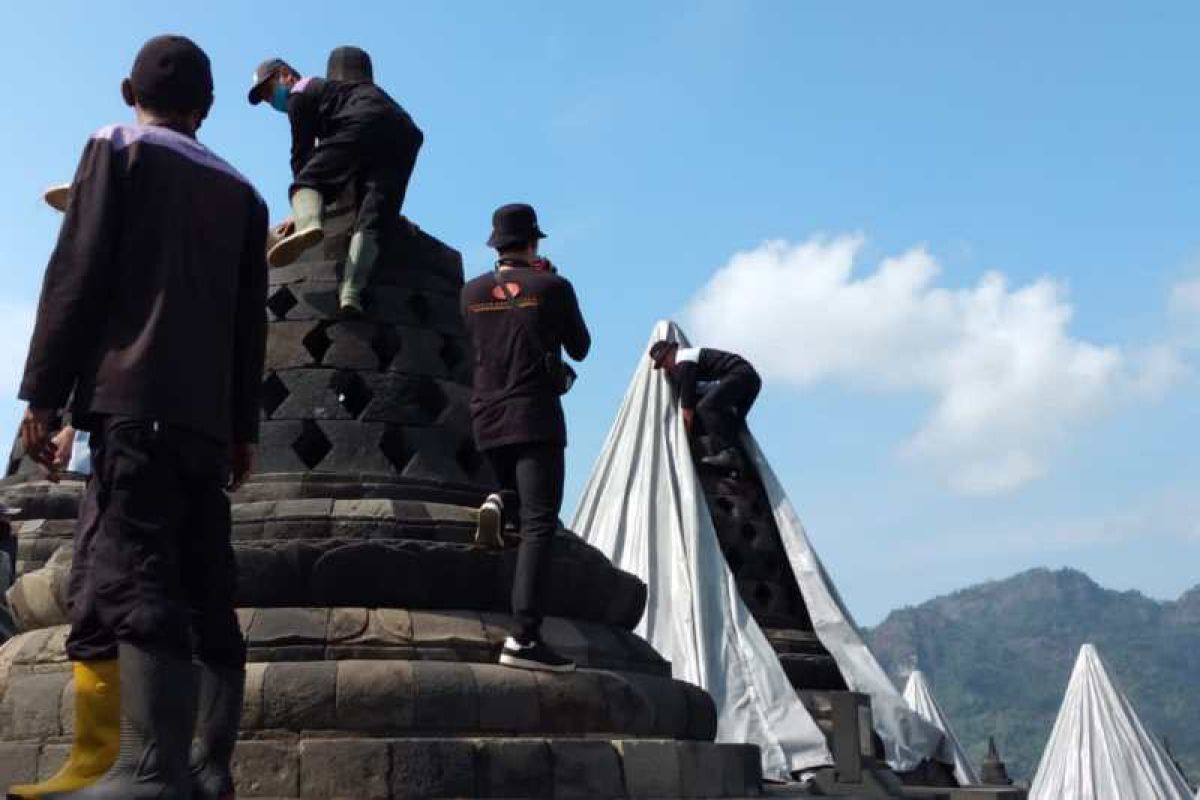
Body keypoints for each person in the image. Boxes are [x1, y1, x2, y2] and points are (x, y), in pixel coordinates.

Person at [13, 34, 267, 800]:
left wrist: (43, 393)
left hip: (133, 403)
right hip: (202, 423)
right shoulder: (246, 192)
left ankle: (151, 770)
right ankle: (211, 767)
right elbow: (246, 322)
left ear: (130, 90)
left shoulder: (116, 146)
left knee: (136, 574)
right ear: (210, 108)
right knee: (206, 583)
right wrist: (243, 427)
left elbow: (77, 272)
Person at [461, 204, 590, 672]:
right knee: (540, 526)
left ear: (495, 245)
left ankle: (500, 499)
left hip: (485, 417)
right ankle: (525, 637)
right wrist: (549, 287)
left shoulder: (470, 292)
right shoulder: (552, 287)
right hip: (534, 416)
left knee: (519, 510)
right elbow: (580, 347)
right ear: (534, 243)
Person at [248, 56, 423, 316]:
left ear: (285, 74)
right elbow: (342, 161)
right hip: (404, 133)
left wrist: (301, 205)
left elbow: (302, 154)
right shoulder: (337, 97)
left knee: (307, 180)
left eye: (268, 92)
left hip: (364, 120)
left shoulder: (301, 92)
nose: (270, 101)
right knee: (374, 216)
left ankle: (309, 226)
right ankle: (351, 293)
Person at [649, 341, 762, 470]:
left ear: (672, 352)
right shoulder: (691, 361)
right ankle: (742, 465)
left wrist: (685, 440)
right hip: (750, 380)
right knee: (731, 423)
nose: (665, 366)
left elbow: (687, 411)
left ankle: (728, 453)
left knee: (705, 407)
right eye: (662, 364)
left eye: (664, 359)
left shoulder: (684, 363)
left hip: (740, 375)